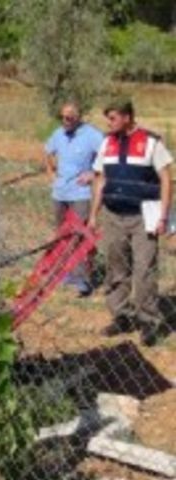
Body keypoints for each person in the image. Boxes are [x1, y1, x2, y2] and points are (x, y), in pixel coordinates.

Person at [88, 99, 173, 346]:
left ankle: (148, 321)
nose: (109, 122)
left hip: (144, 216)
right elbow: (100, 179)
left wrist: (164, 216)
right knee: (116, 267)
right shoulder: (107, 143)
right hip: (114, 215)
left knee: (144, 268)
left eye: (113, 117)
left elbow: (166, 179)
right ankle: (121, 316)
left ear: (127, 117)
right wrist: (94, 214)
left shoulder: (150, 142)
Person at [44, 101, 104, 297]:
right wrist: (51, 174)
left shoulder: (92, 135)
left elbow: (106, 156)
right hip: (60, 193)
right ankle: (65, 273)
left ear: (78, 116)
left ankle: (83, 279)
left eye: (69, 117)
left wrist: (92, 173)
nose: (65, 121)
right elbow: (47, 152)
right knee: (62, 233)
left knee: (80, 235)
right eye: (62, 117)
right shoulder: (58, 133)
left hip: (81, 194)